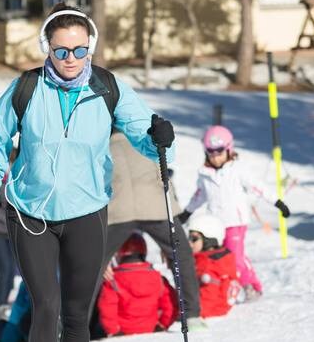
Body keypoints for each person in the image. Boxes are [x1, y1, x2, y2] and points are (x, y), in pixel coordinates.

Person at [0, 4, 173, 342]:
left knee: (77, 310)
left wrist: (161, 141)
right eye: (61, 49)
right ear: (47, 47)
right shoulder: (25, 88)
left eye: (79, 49)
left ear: (91, 49)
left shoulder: (107, 88)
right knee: (45, 304)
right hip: (30, 211)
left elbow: (144, 132)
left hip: (87, 209)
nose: (69, 58)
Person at [107, 132, 202, 324]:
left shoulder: (101, 146)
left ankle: (77, 327)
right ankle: (192, 315)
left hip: (118, 212)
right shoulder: (146, 141)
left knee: (91, 268)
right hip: (156, 207)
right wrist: (173, 221)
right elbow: (164, 177)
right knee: (181, 256)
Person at [183, 125, 286, 301]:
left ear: (229, 149)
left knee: (235, 257)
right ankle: (221, 287)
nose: (215, 157)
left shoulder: (237, 170)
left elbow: (258, 187)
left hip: (235, 222)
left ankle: (252, 286)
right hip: (216, 225)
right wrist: (186, 212)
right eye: (211, 152)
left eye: (219, 152)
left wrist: (278, 202)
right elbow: (199, 196)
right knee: (218, 257)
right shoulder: (204, 174)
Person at [96, 234, 179, 337]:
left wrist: (114, 331)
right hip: (151, 330)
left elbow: (107, 308)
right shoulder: (158, 278)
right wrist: (162, 325)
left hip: (122, 333)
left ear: (119, 254)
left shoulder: (112, 280)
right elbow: (171, 305)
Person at [187, 210, 237, 318]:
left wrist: (192, 314)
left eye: (194, 239)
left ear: (209, 240)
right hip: (220, 307)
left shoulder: (207, 264)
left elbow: (209, 293)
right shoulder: (222, 258)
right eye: (189, 238)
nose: (189, 243)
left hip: (210, 310)